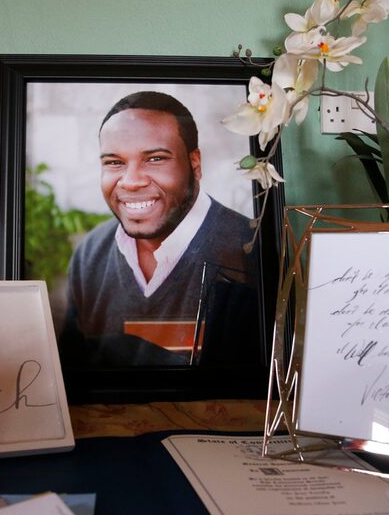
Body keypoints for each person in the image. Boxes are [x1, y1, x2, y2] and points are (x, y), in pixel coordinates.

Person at [60, 91, 259, 366]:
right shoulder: (90, 254)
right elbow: (73, 373)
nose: (131, 181)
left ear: (195, 163)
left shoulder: (252, 250)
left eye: (155, 158)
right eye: (114, 162)